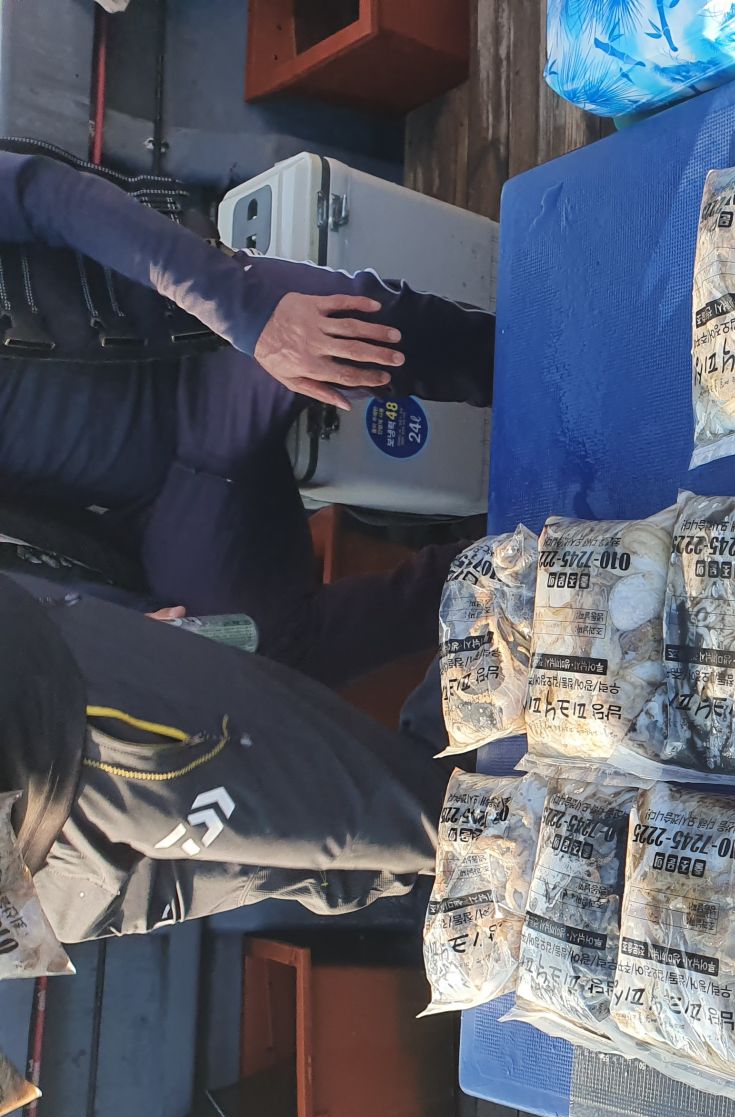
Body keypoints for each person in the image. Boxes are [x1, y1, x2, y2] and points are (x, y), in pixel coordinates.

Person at [0, 139, 493, 687]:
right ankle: (520, 569)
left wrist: (254, 317)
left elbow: (49, 194)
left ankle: (544, 367)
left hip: (195, 341)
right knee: (254, 647)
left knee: (364, 331)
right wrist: (119, 626)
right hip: (158, 508)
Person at [2, 571, 447, 942]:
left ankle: (481, 596)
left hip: (53, 736)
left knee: (425, 822)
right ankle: (477, 626)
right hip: (34, 892)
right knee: (352, 866)